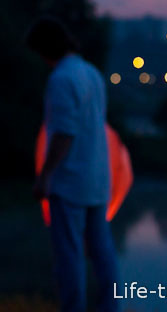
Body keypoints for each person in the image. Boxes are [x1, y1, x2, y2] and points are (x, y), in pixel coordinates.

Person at [26, 17, 119, 312]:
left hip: (69, 181)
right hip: (97, 177)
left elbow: (64, 133)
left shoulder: (61, 78)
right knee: (103, 252)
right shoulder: (91, 72)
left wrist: (45, 176)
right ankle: (110, 306)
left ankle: (73, 308)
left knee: (69, 255)